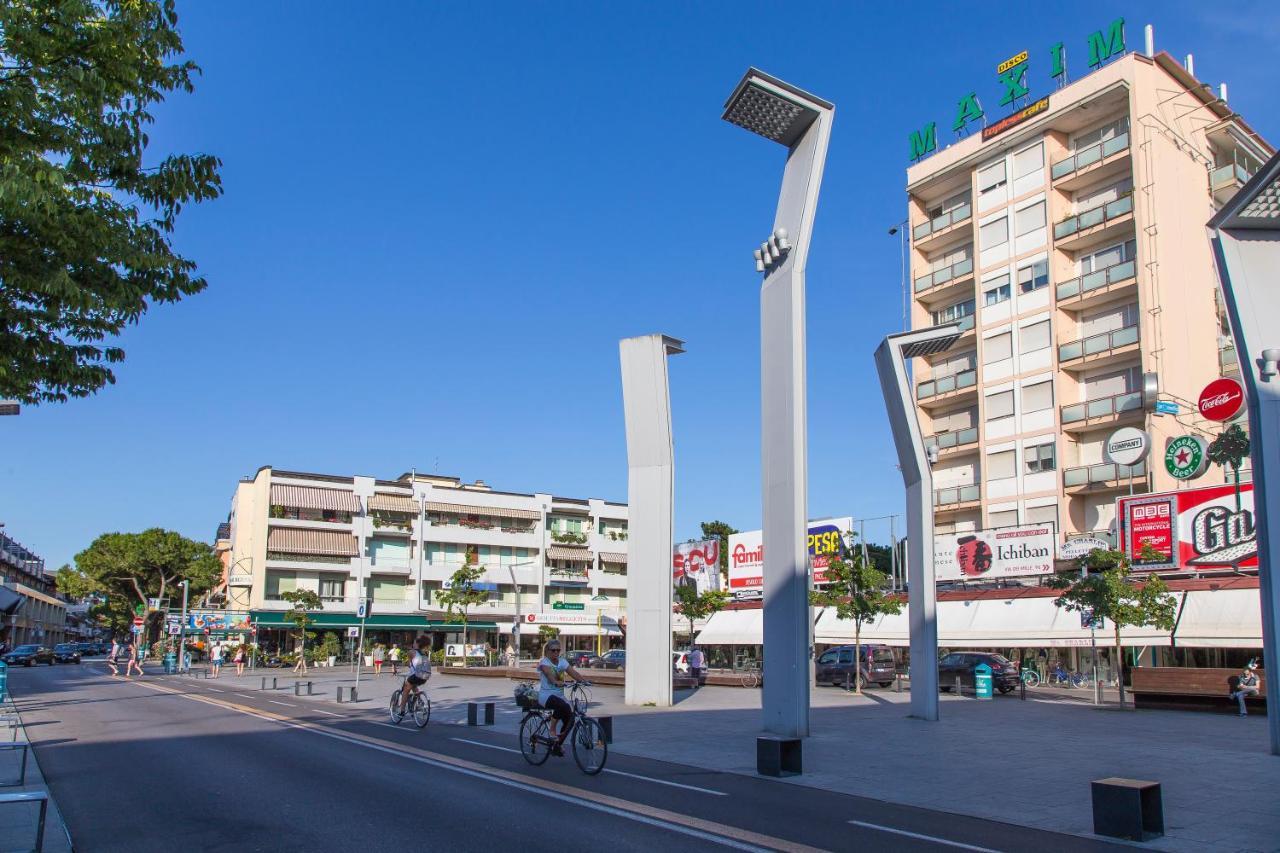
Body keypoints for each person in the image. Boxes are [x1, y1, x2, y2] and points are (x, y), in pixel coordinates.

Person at [537, 639, 589, 756]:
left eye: (558, 650)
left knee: (570, 718)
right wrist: (555, 682)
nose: (556, 653)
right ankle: (552, 729)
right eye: (553, 650)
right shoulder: (544, 663)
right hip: (546, 695)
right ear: (548, 651)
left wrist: (584, 681)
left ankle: (558, 744)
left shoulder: (562, 662)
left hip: (560, 696)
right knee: (562, 706)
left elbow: (573, 673)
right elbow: (549, 675)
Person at [396, 636, 433, 711]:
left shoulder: (411, 652)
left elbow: (409, 665)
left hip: (416, 675)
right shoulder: (424, 653)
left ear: (417, 643)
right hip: (425, 676)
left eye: (414, 642)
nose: (413, 644)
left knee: (406, 689)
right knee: (413, 685)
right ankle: (419, 701)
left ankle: (402, 710)